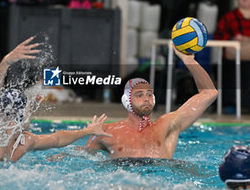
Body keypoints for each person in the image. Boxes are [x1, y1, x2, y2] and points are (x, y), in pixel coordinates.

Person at [0, 37, 112, 162]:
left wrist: (87, 131)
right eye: (28, 109)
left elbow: (58, 138)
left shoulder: (24, 140)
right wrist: (5, 62)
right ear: (21, 114)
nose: (30, 114)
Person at [83, 47, 218, 159]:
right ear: (126, 101)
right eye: (139, 95)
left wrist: (188, 60)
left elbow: (209, 93)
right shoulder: (106, 132)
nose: (146, 98)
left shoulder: (167, 124)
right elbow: (81, 157)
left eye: (149, 94)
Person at [214, 0, 250, 112]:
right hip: (233, 57)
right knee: (231, 71)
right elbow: (218, 36)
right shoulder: (229, 17)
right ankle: (231, 104)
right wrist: (232, 40)